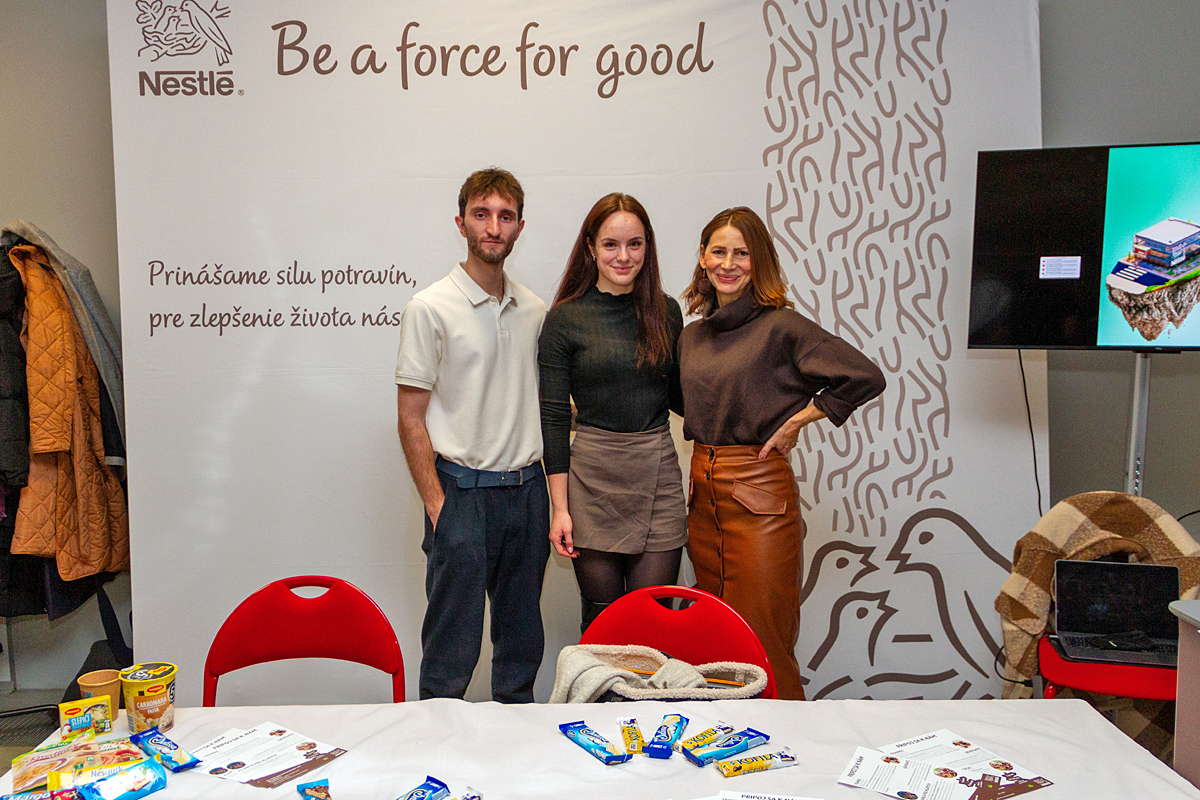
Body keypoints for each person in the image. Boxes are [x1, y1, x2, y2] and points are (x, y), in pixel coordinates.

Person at [678, 206, 886, 700]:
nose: (728, 264)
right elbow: (690, 401)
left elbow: (865, 376)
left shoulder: (781, 327)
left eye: (742, 253)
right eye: (718, 251)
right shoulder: (692, 337)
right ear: (703, 257)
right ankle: (728, 739)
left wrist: (799, 419)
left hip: (759, 501)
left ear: (760, 261)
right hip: (702, 501)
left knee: (764, 643)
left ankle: (791, 742)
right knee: (716, 643)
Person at [395, 168, 550, 702]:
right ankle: (438, 750)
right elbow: (410, 419)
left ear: (520, 227)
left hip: (527, 494)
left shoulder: (535, 310)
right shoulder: (429, 307)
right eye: (481, 215)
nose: (493, 227)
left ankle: (517, 749)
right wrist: (439, 506)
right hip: (460, 493)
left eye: (505, 217)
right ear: (461, 223)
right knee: (449, 655)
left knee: (521, 652)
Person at [538, 193, 687, 632]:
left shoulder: (667, 312)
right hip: (591, 482)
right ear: (590, 247)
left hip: (657, 474)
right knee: (603, 624)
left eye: (634, 244)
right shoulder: (564, 319)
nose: (623, 257)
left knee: (654, 623)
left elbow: (683, 399)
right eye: (611, 245)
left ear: (647, 247)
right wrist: (560, 509)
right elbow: (554, 419)